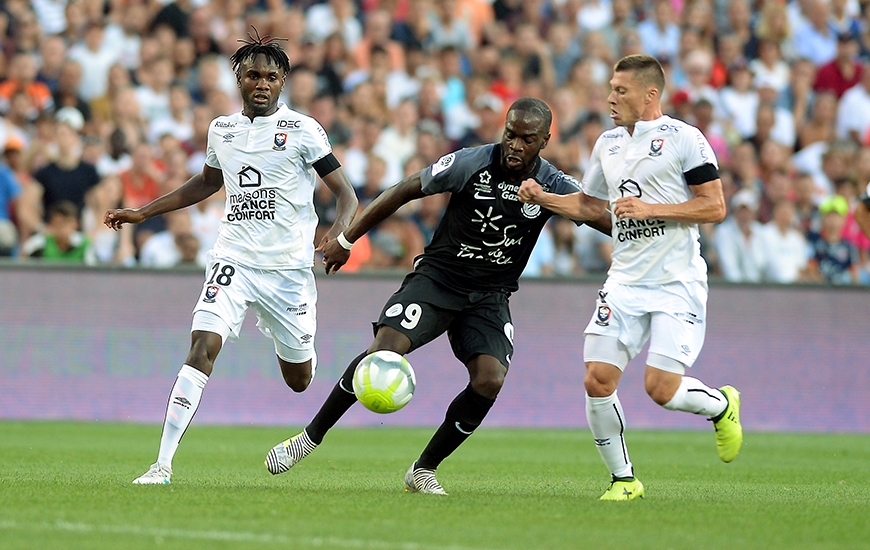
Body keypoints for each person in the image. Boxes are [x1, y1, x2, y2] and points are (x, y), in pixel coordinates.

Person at [263, 97, 612, 495]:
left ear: (545, 140)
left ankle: (424, 468)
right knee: (384, 350)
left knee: (490, 380)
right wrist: (347, 238)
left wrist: (646, 229)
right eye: (510, 134)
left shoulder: (553, 184)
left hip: (489, 296)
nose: (515, 145)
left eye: (526, 139)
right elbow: (404, 190)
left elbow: (600, 216)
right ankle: (309, 437)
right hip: (438, 282)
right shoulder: (472, 162)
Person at [104, 30, 358, 485]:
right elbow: (205, 183)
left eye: (271, 77)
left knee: (299, 379)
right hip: (233, 259)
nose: (261, 83)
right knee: (202, 346)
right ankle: (161, 465)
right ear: (238, 79)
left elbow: (346, 194)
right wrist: (144, 212)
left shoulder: (303, 130)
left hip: (287, 272)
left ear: (283, 83)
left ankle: (290, 340)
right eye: (252, 75)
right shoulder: (222, 129)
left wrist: (340, 232)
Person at [517, 54, 743, 501]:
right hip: (624, 280)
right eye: (610, 89)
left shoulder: (685, 139)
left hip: (676, 282)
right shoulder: (608, 144)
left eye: (621, 91)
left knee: (660, 390)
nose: (610, 98)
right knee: (597, 379)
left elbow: (714, 207)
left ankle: (721, 405)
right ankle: (624, 480)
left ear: (650, 94)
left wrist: (651, 208)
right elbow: (589, 206)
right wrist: (544, 197)